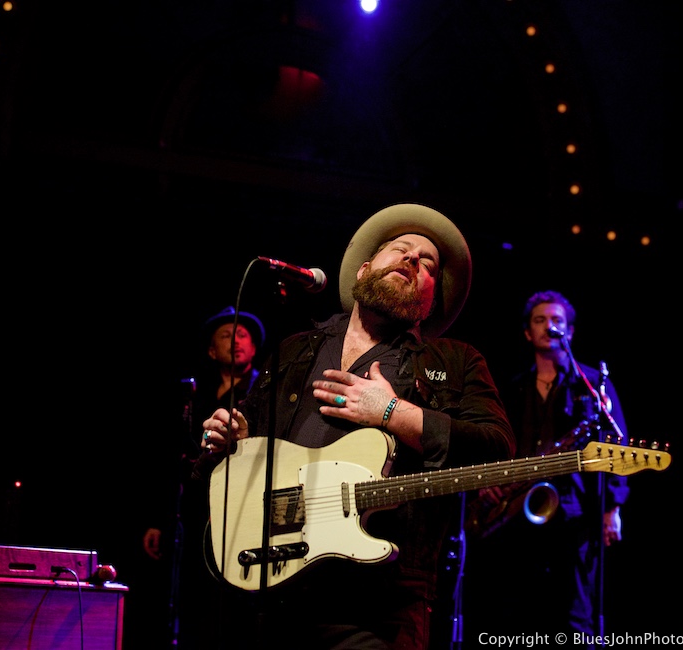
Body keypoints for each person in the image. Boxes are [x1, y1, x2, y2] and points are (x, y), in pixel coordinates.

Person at [193, 203, 516, 650]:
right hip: (269, 591)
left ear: (430, 300)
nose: (412, 260)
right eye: (401, 250)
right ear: (365, 269)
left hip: (378, 604)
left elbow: (497, 449)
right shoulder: (294, 350)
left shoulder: (454, 362)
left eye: (427, 263)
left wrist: (392, 412)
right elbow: (240, 456)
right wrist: (229, 440)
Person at [463, 289, 630, 647]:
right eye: (540, 320)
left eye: (557, 321)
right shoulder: (513, 387)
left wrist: (613, 508)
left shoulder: (591, 385)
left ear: (569, 332)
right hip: (515, 515)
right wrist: (489, 484)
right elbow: (494, 443)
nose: (549, 326)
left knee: (574, 620)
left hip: (574, 515)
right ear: (527, 332)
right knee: (518, 617)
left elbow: (617, 449)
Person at [138, 305, 266, 649]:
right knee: (193, 602)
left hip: (245, 511)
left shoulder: (265, 392)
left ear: (254, 347)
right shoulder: (195, 398)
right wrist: (159, 520)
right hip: (196, 514)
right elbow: (173, 461)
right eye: (227, 335)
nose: (236, 341)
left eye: (242, 335)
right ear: (212, 350)